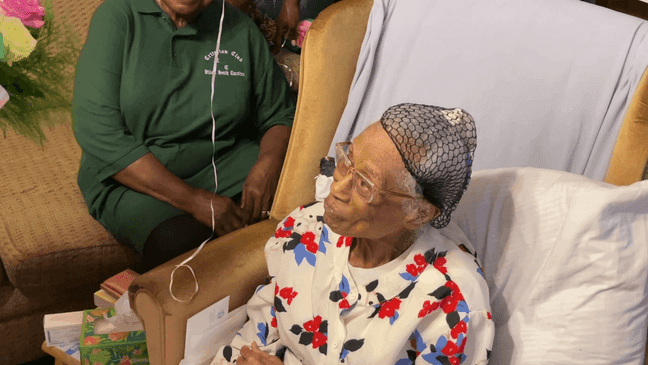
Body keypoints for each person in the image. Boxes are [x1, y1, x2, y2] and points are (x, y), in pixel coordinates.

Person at [211, 103, 494, 365]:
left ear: (417, 213)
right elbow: (259, 331)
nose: (336, 188)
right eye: (347, 159)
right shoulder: (306, 228)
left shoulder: (452, 304)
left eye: (364, 184)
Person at [72, 0, 296, 272]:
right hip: (135, 178)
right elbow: (98, 130)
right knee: (184, 245)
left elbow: (279, 114)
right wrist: (194, 200)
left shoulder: (238, 27)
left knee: (307, 200)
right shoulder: (118, 17)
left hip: (224, 163)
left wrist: (267, 165)